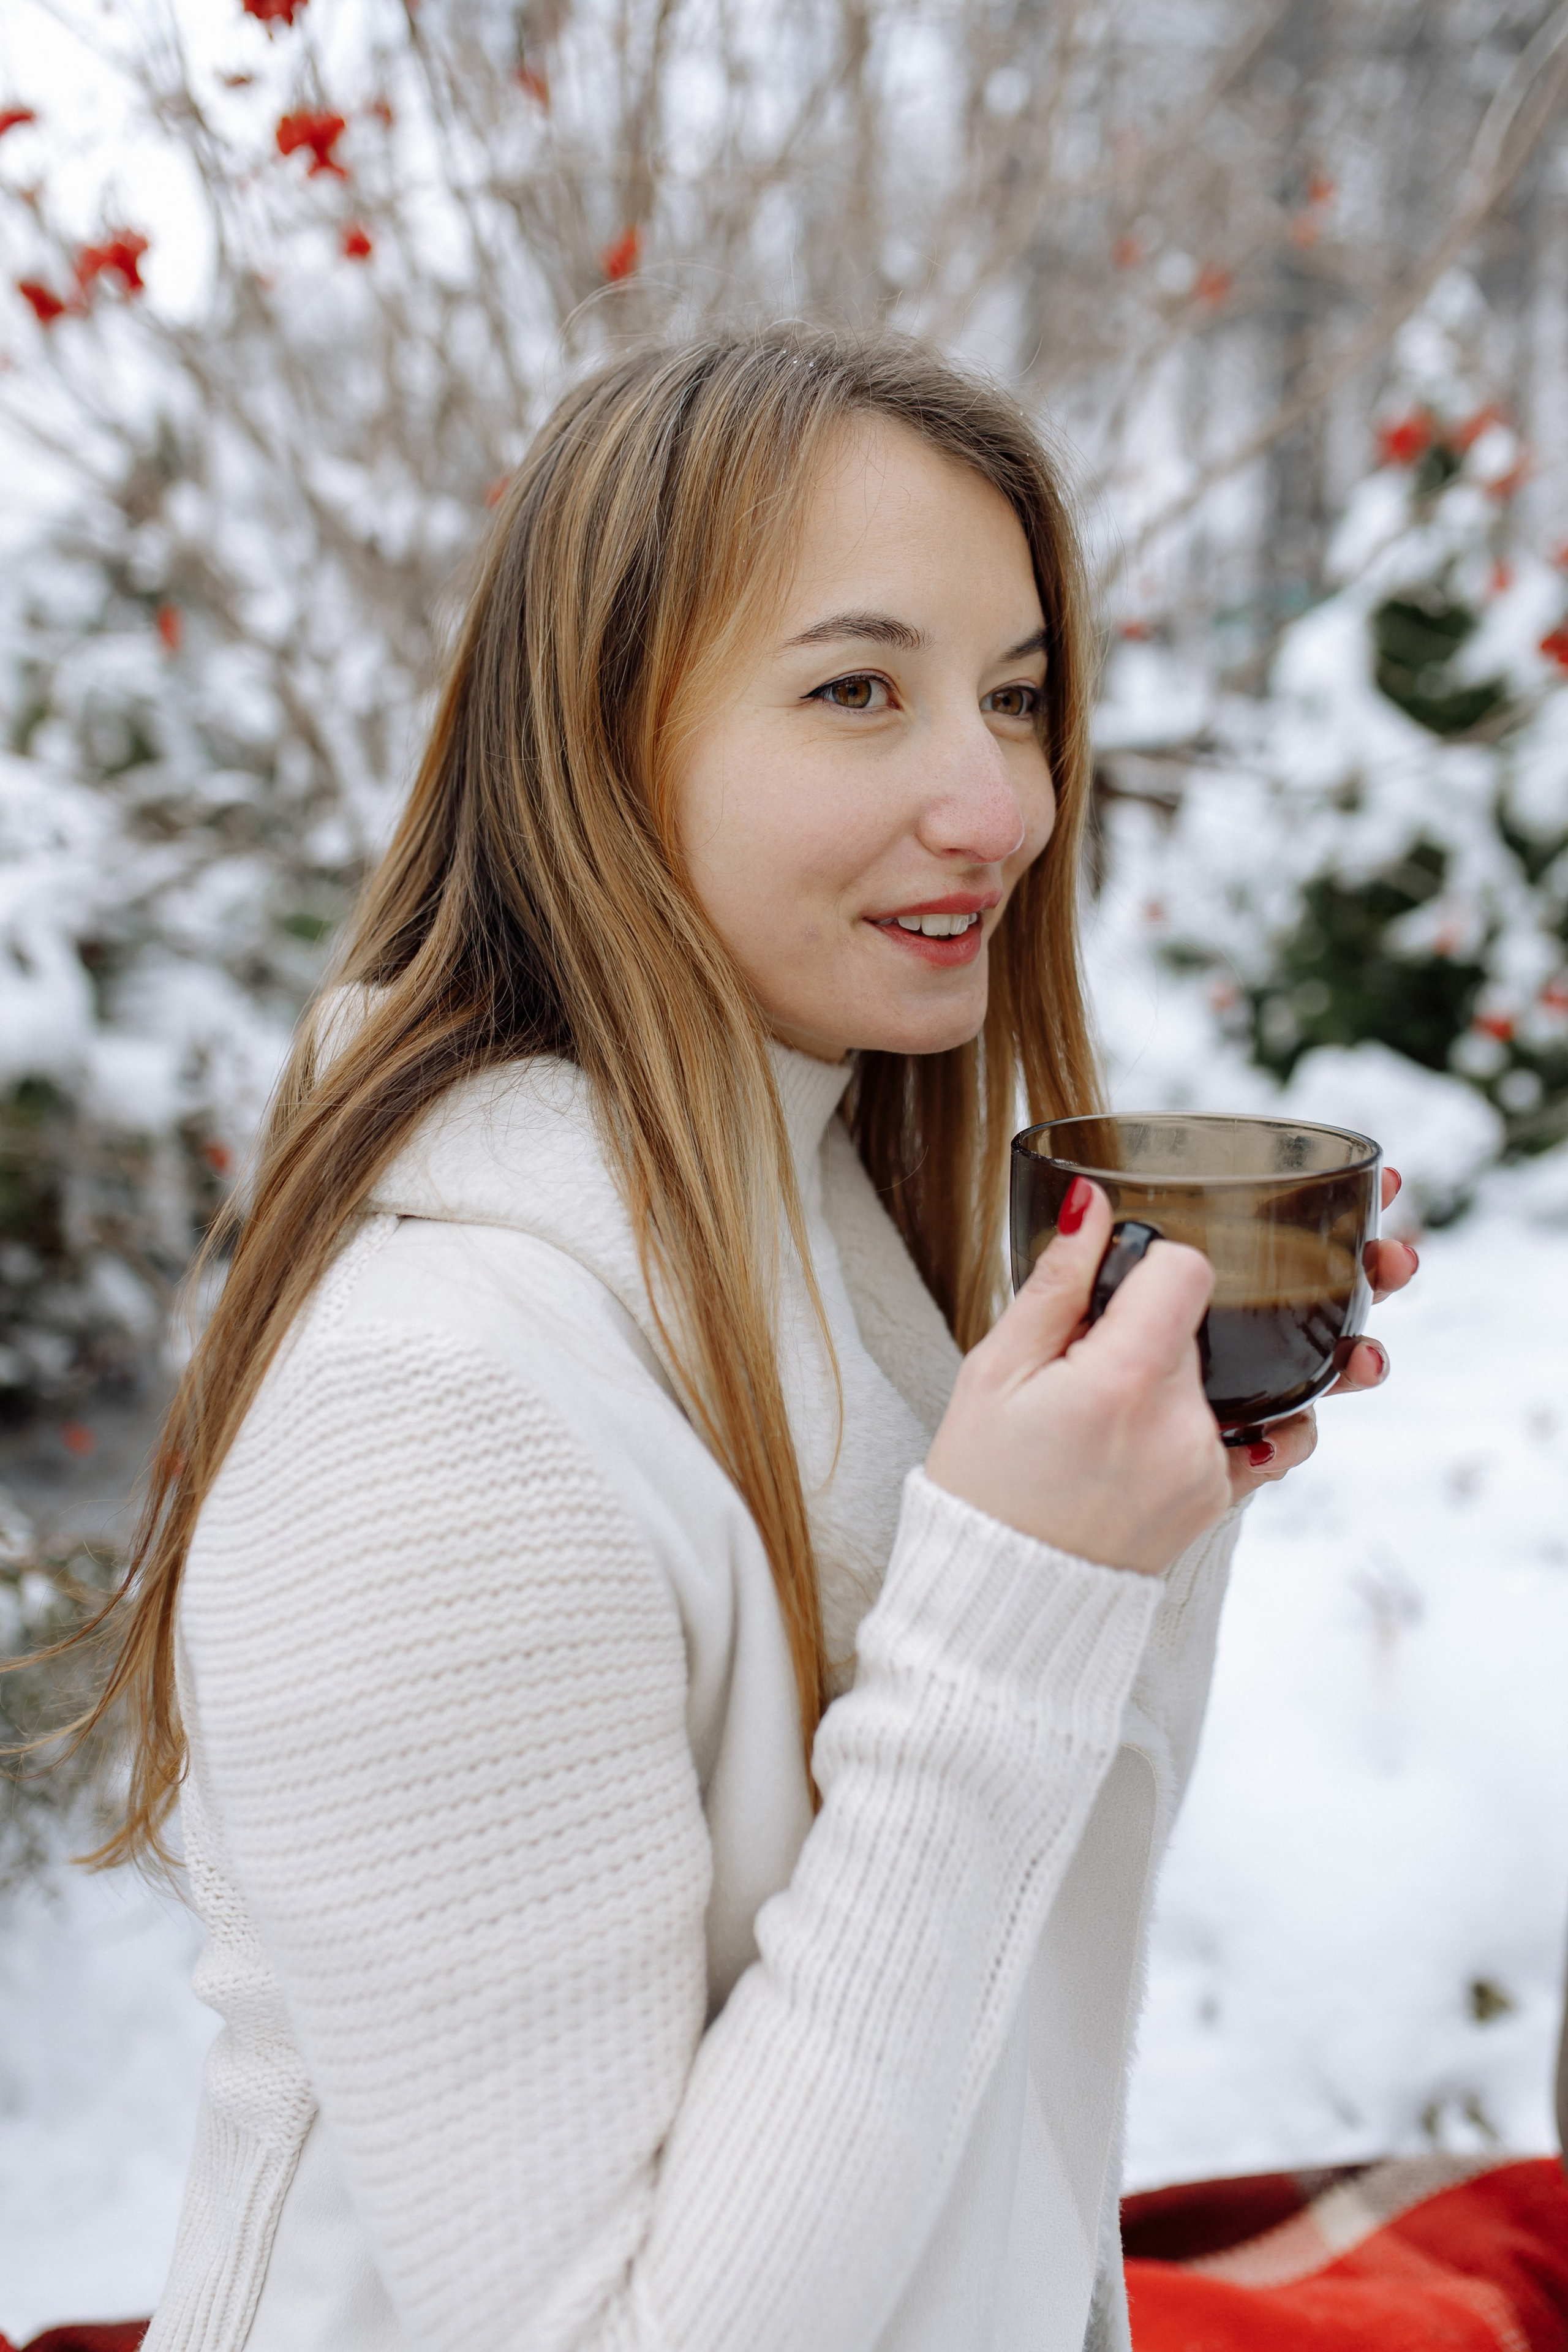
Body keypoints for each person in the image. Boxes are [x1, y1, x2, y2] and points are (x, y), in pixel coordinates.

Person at [97, 328, 1415, 2352]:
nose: (1000, 801)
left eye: (1019, 696)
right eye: (857, 691)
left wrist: (1139, 1514)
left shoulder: (817, 1224)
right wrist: (1015, 1603)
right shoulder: (433, 1416)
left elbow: (987, 2056)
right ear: (598, 744)